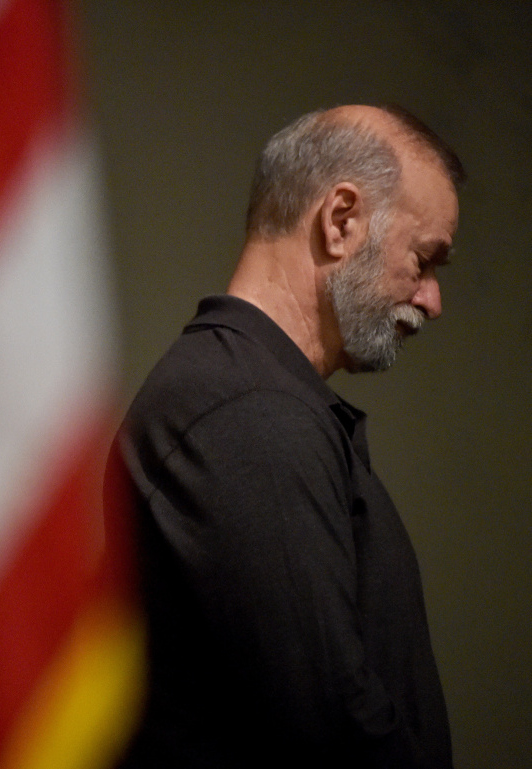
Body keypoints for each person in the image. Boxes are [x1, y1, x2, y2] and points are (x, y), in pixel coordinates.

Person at [107, 105, 464, 768]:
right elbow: (329, 733)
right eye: (423, 260)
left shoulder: (247, 398)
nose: (432, 299)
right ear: (340, 222)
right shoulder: (247, 412)